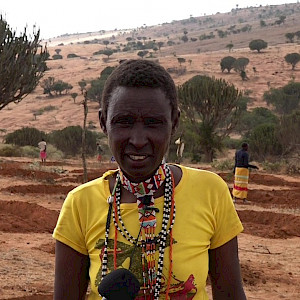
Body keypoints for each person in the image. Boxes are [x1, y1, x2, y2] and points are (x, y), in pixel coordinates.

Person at [53, 59, 246, 300]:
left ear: (174, 123)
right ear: (103, 122)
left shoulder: (210, 191)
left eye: (154, 123)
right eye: (124, 122)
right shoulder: (80, 203)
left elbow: (231, 294)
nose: (138, 140)